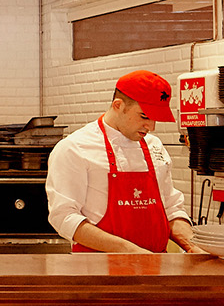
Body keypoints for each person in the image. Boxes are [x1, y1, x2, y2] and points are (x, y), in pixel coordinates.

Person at [46, 69, 199, 255]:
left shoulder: (154, 147)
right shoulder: (74, 148)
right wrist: (129, 252)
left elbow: (171, 208)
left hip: (156, 267)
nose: (151, 127)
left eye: (155, 119)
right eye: (144, 116)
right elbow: (64, 217)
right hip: (97, 268)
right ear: (118, 105)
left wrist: (193, 245)